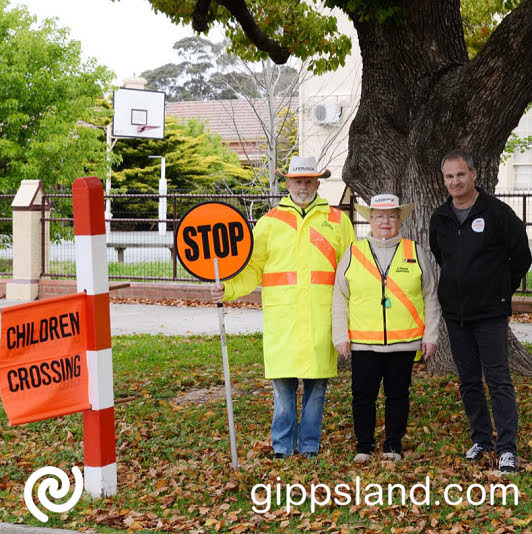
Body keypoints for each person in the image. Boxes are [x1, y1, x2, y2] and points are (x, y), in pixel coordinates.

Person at [211, 156, 355, 460]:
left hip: (321, 319)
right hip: (284, 320)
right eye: (296, 181)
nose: (302, 186)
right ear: (287, 183)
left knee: (317, 389)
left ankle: (309, 447)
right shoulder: (269, 222)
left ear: (318, 182)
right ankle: (282, 448)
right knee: (283, 390)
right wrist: (229, 288)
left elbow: (351, 271)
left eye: (308, 180)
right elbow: (252, 268)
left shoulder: (338, 221)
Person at [429, 149, 531, 472]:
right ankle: (482, 439)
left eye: (461, 174)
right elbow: (440, 256)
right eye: (449, 176)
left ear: (474, 174)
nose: (455, 181)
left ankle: (507, 449)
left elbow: (522, 257)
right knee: (469, 379)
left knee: (498, 379)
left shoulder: (498, 213)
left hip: (490, 313)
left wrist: (500, 291)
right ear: (444, 181)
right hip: (455, 316)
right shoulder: (440, 219)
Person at [332, 194, 440, 463]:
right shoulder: (354, 252)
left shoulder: (414, 251)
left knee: (398, 395)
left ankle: (393, 445)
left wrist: (431, 335)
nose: (385, 222)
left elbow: (430, 296)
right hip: (363, 343)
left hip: (403, 343)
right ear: (370, 219)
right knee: (363, 396)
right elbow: (339, 297)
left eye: (392, 216)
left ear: (399, 220)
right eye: (379, 216)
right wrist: (340, 335)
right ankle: (364, 447)